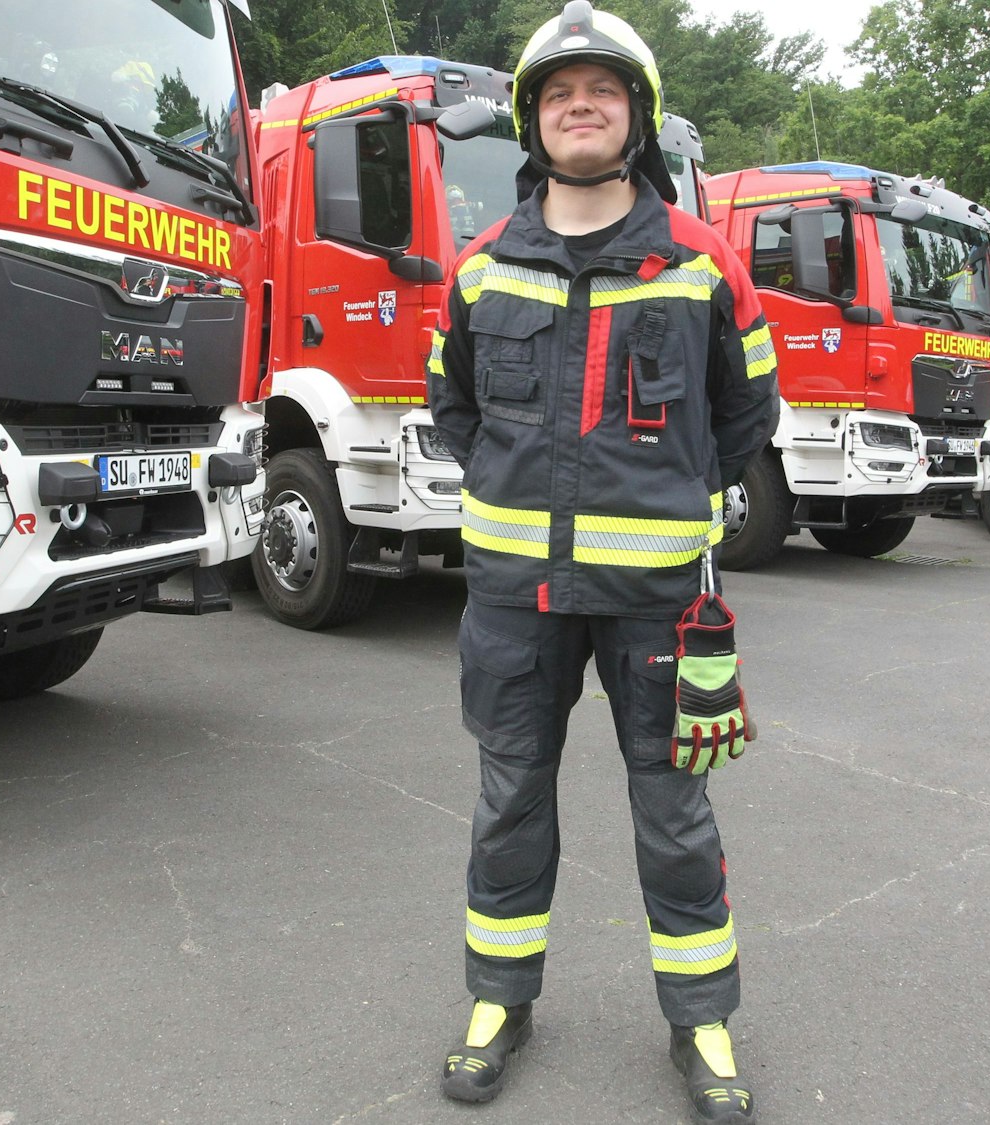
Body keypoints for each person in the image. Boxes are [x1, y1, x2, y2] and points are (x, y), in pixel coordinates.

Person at [425, 3, 778, 1121]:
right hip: (511, 599)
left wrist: (671, 505)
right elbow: (454, 406)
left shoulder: (698, 261)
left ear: (637, 118)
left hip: (658, 605)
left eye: (605, 90)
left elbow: (744, 411)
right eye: (561, 91)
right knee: (507, 801)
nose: (582, 105)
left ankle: (702, 1023)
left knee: (674, 815)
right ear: (534, 121)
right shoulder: (482, 268)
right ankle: (497, 1002)